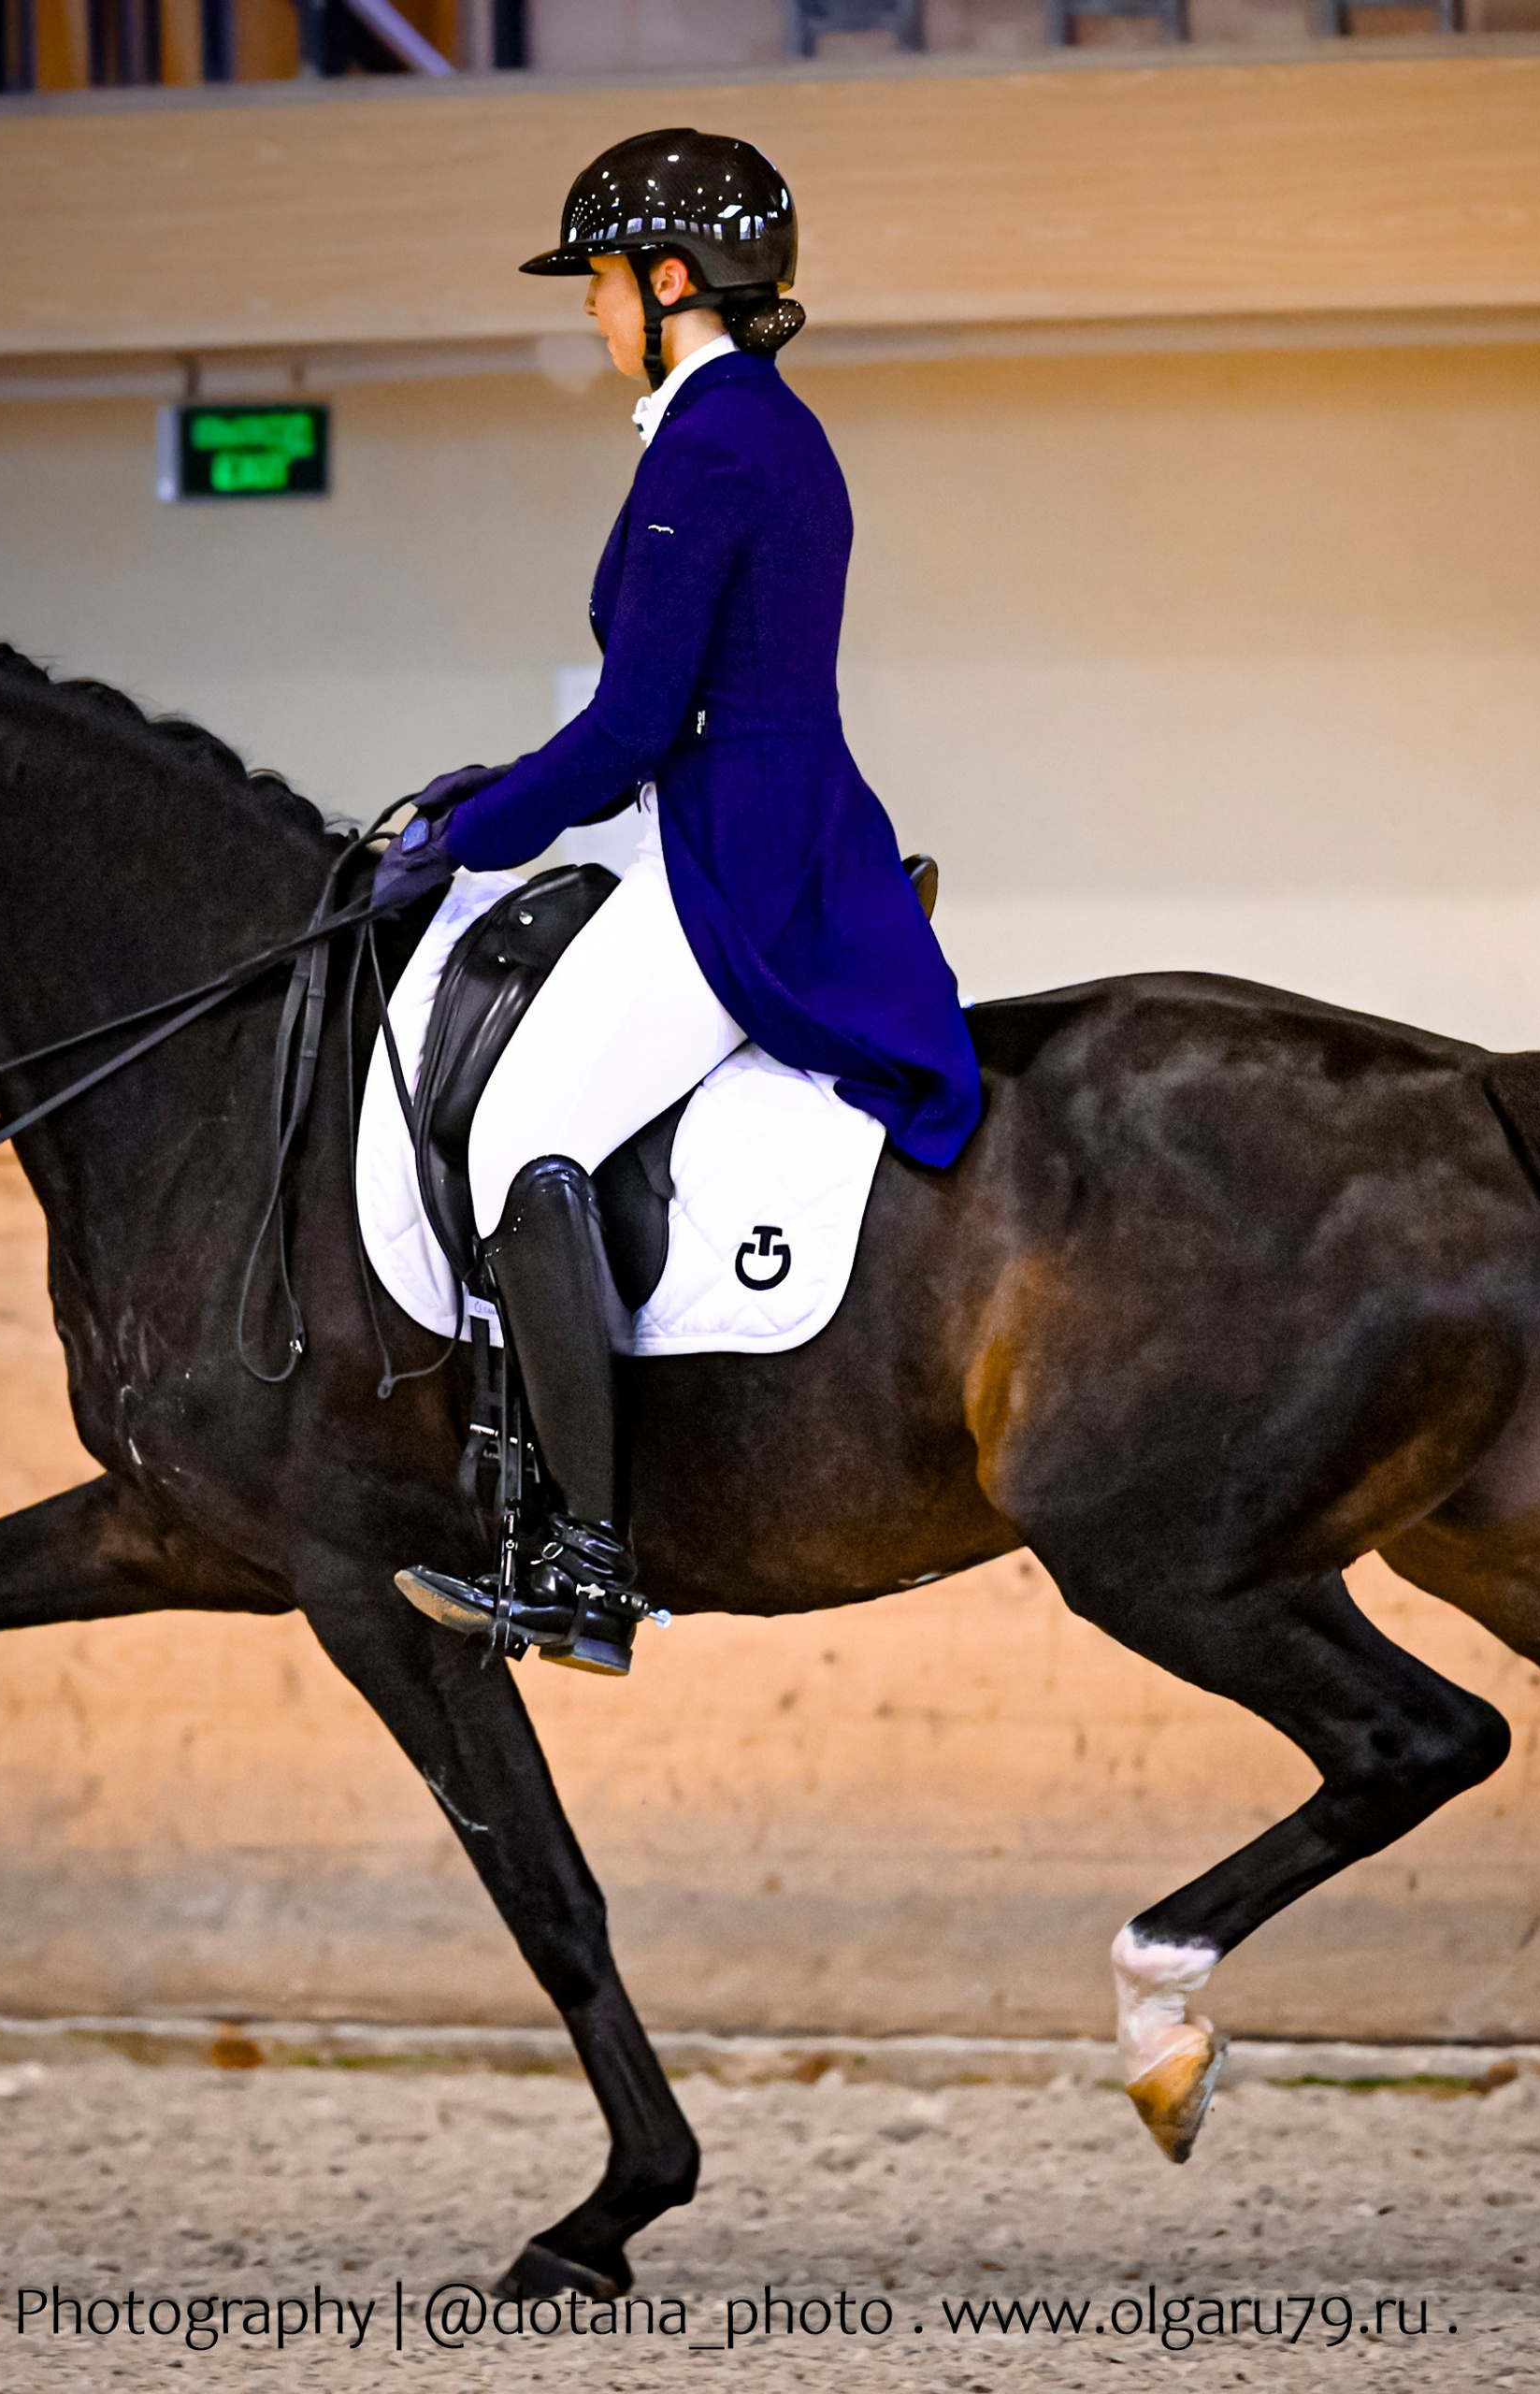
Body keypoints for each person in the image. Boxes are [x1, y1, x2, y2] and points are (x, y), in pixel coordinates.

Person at [378, 127, 982, 1676]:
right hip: (739, 810)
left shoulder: (711, 447)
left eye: (595, 278)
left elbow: (639, 725)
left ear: (666, 281)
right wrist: (496, 790)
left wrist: (471, 839)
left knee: (525, 1135)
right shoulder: (746, 429)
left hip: (733, 840)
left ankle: (586, 1554)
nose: (587, 308)